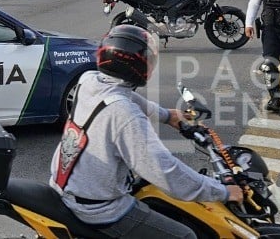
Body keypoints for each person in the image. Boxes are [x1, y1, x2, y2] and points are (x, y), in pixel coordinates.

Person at [49, 25, 240, 239]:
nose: (150, 64)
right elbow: (164, 171)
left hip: (68, 186)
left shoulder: (88, 80)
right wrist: (222, 191)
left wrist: (168, 115)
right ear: (135, 66)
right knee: (186, 235)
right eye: (147, 59)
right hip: (97, 208)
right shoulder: (124, 115)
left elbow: (123, 96)